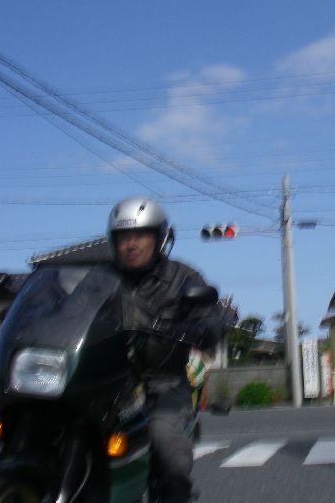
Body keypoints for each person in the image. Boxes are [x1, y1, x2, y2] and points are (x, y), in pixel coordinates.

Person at [107, 197, 223, 503]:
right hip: (108, 380)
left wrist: (198, 330)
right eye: (123, 237)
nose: (131, 244)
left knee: (163, 437)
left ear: (158, 238)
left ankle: (176, 495)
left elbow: (210, 320)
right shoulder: (101, 279)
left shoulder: (183, 278)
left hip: (163, 382)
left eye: (140, 235)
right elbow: (73, 307)